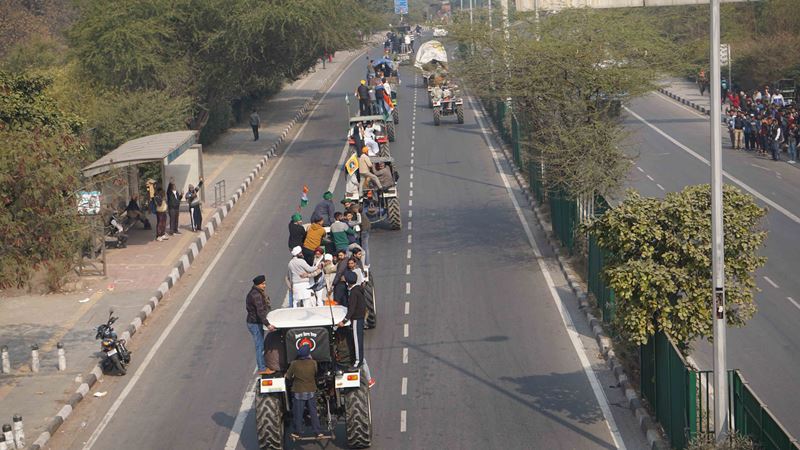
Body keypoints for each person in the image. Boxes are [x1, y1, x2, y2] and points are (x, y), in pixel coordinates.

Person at [337, 272, 374, 388]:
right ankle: (368, 377)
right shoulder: (358, 289)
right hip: (359, 318)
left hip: (357, 319)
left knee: (357, 342)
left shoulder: (353, 293)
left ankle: (357, 362)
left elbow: (352, 308)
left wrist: (344, 320)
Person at [286, 344, 324, 439]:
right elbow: (316, 373)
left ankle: (297, 432)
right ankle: (318, 432)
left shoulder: (294, 364)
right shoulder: (313, 363)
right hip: (311, 390)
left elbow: (288, 376)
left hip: (298, 391)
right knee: (313, 412)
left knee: (298, 413)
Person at [246, 275, 275, 375]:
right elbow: (260, 312)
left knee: (261, 345)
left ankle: (263, 365)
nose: (264, 285)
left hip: (255, 322)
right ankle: (262, 368)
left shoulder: (257, 292)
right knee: (260, 346)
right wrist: (268, 325)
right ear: (258, 284)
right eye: (263, 284)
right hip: (255, 323)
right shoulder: (256, 295)